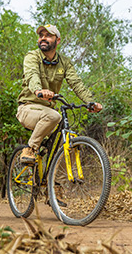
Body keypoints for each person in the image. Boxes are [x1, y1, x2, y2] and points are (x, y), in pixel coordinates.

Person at [16, 24, 102, 164]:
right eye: (41, 36)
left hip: (48, 110)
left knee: (71, 144)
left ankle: (57, 183)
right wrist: (39, 91)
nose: (43, 38)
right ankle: (30, 149)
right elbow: (32, 75)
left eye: (48, 35)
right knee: (53, 116)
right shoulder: (32, 57)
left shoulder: (64, 63)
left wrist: (90, 102)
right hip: (28, 108)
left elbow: (76, 84)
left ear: (58, 40)